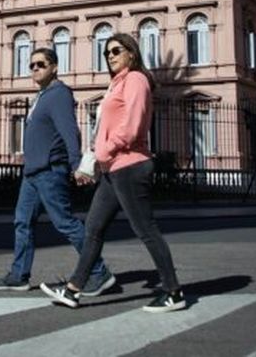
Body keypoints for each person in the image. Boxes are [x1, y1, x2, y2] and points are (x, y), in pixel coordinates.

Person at [40, 34, 184, 313]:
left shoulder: (136, 81)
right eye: (107, 52)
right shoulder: (117, 83)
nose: (111, 55)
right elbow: (105, 128)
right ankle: (73, 290)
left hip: (130, 166)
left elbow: (131, 127)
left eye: (117, 50)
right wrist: (95, 159)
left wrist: (103, 152)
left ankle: (173, 291)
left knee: (146, 230)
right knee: (93, 228)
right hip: (113, 168)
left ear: (131, 53)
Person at [0, 48, 115, 296]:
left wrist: (75, 164)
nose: (35, 68)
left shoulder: (58, 95)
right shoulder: (42, 96)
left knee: (65, 223)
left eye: (41, 64)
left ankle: (99, 273)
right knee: (22, 222)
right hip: (32, 173)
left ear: (54, 67)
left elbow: (70, 131)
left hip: (49, 171)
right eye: (32, 65)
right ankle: (19, 275)